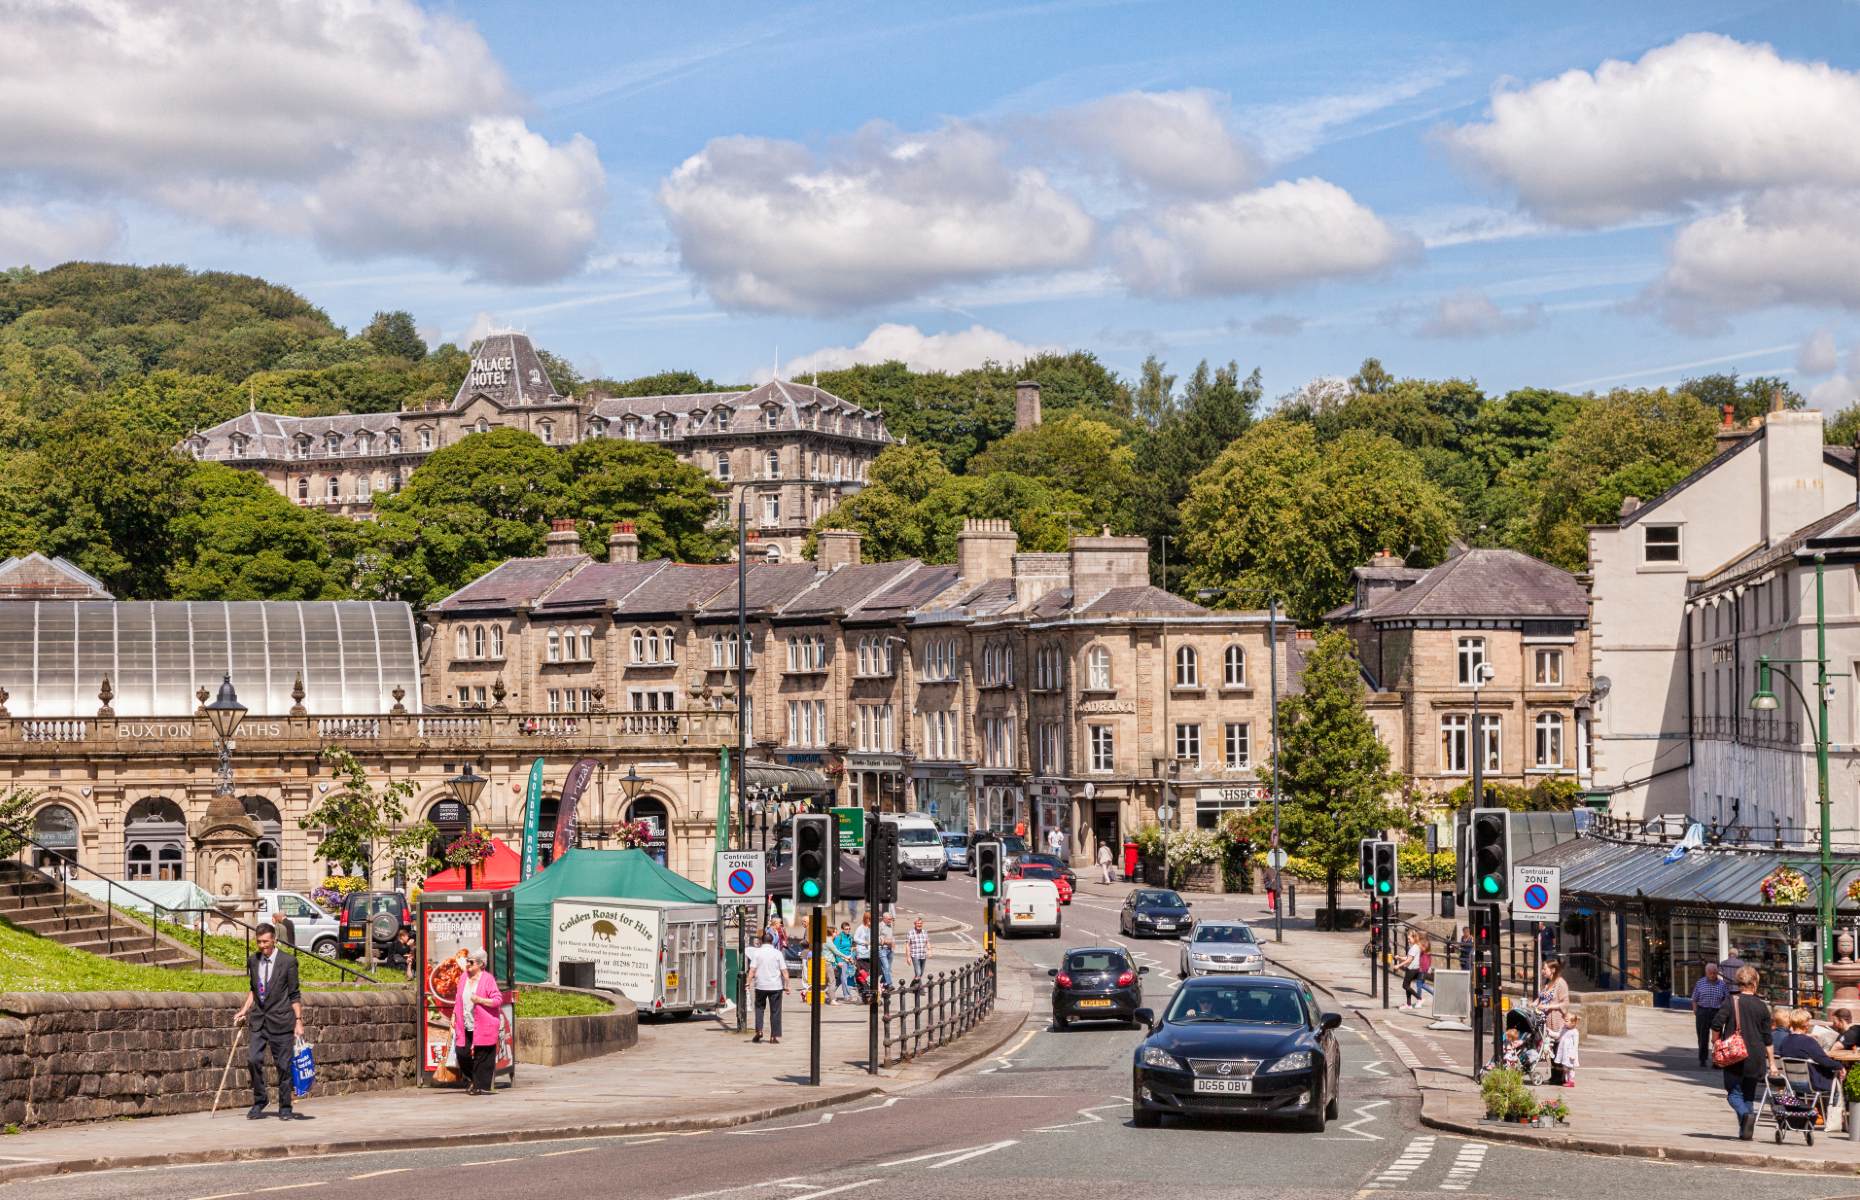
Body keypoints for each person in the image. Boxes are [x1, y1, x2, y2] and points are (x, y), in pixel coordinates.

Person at [233, 923, 305, 1121]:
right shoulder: (253, 961)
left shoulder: (289, 962)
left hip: (281, 1020)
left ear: (274, 940)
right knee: (253, 1059)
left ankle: (285, 1106)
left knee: (283, 1065)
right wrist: (244, 1010)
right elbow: (254, 990)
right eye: (259, 942)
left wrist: (298, 1021)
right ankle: (260, 1100)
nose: (262, 945)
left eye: (265, 941)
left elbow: (294, 993)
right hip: (259, 1020)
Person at [1711, 965, 1772, 1140]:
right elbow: (1768, 1038)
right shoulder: (1762, 1006)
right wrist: (1772, 1063)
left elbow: (1716, 1023)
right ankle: (1745, 1133)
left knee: (1733, 1094)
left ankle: (1746, 1116)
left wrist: (1715, 1041)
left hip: (1735, 1056)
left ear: (1739, 983)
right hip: (1756, 1057)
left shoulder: (1731, 1001)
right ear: (1755, 983)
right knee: (1749, 1095)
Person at [453, 949, 503, 1095]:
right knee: (462, 1052)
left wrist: (480, 1000)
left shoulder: (487, 979)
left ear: (481, 964)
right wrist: (454, 1016)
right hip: (465, 1022)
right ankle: (472, 1079)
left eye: (471, 962)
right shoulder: (463, 977)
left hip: (484, 1023)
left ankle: (481, 1086)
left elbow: (497, 1000)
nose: (467, 964)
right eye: (467, 961)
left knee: (483, 1056)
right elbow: (458, 999)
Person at [1775, 1008, 1846, 1098]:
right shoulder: (1808, 1041)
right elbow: (1823, 1059)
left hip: (1790, 1082)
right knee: (1837, 1076)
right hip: (1812, 1082)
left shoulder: (1785, 1041)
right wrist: (1840, 1066)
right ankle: (1834, 1107)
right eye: (1808, 1021)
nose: (1809, 1024)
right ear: (1805, 1024)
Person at [748, 930, 787, 1044]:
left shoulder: (757, 953)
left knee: (759, 1009)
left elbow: (752, 970)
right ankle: (773, 1036)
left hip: (760, 985)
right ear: (772, 941)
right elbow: (784, 971)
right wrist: (787, 985)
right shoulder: (777, 953)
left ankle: (759, 1030)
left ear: (761, 941)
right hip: (776, 986)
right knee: (775, 1011)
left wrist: (748, 982)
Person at [1690, 960, 1730, 1069]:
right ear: (1706, 973)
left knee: (1717, 1038)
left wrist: (1723, 1011)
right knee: (1703, 1037)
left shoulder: (1722, 984)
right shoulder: (1700, 983)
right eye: (1710, 973)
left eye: (1714, 973)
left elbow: (1726, 999)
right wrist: (1695, 1010)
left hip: (1716, 1012)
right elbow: (1694, 999)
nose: (1712, 975)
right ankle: (1702, 1059)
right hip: (1702, 1011)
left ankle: (1716, 1060)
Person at [1397, 931, 1424, 1010]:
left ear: (1414, 938)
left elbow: (1409, 960)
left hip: (1411, 969)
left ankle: (1419, 998)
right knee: (1407, 986)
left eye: (1409, 939)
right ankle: (1408, 1004)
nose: (1408, 941)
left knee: (1405, 985)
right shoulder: (1417, 946)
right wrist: (1399, 958)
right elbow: (1408, 958)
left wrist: (1398, 965)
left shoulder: (1414, 947)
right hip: (1415, 969)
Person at [1553, 1014, 1580, 1088]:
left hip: (1570, 1053)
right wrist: (1550, 1033)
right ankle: (1566, 1079)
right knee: (1565, 1067)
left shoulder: (1575, 1032)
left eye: (1567, 1021)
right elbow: (1558, 1035)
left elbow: (1576, 1044)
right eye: (1564, 1020)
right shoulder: (1563, 1029)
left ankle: (1571, 1081)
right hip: (1564, 1052)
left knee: (1570, 1067)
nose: (1565, 1022)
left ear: (1573, 1023)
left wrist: (1573, 1054)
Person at [906, 917, 930, 982]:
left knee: (920, 973)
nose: (919, 925)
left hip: (923, 955)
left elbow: (927, 942)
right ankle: (918, 988)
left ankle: (913, 985)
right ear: (915, 924)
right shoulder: (910, 933)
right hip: (915, 955)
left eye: (920, 923)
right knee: (918, 973)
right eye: (918, 923)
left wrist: (929, 950)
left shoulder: (925, 932)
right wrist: (908, 957)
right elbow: (908, 945)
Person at [877, 914, 896, 990]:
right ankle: (889, 984)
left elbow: (892, 936)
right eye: (889, 919)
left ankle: (883, 983)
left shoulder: (890, 925)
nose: (890, 920)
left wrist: (893, 942)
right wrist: (884, 941)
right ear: (884, 918)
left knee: (888, 968)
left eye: (891, 919)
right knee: (886, 967)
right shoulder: (880, 926)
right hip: (882, 949)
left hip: (890, 949)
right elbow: (875, 937)